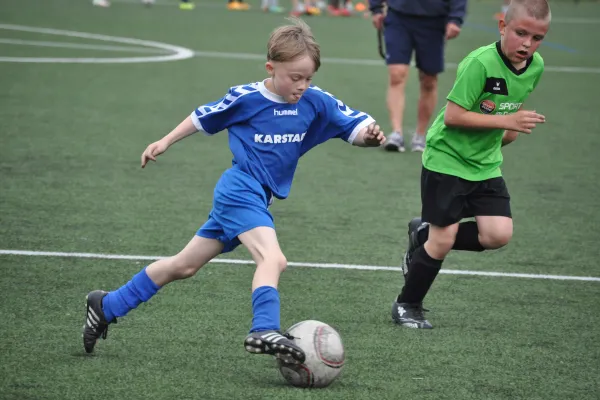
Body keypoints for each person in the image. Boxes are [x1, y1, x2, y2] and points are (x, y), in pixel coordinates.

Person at [81, 18, 385, 364]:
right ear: (271, 68)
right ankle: (263, 328)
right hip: (239, 189)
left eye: (308, 78)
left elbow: (355, 126)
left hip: (256, 197)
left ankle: (106, 305)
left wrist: (370, 137)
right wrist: (164, 141)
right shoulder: (248, 97)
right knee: (273, 258)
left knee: (183, 266)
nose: (301, 85)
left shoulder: (315, 101)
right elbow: (202, 116)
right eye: (294, 77)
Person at [391, 0, 550, 329]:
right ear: (503, 27)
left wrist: (507, 132)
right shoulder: (480, 63)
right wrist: (506, 121)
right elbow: (453, 116)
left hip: (485, 163)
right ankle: (407, 304)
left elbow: (502, 108)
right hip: (448, 158)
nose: (527, 44)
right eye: (521, 34)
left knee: (497, 234)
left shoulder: (535, 67)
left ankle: (424, 232)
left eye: (537, 38)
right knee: (444, 240)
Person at [369, 0, 466, 153]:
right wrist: (376, 9)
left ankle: (420, 135)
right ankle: (396, 133)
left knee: (429, 80)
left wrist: (456, 18)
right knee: (397, 74)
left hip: (434, 20)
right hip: (398, 16)